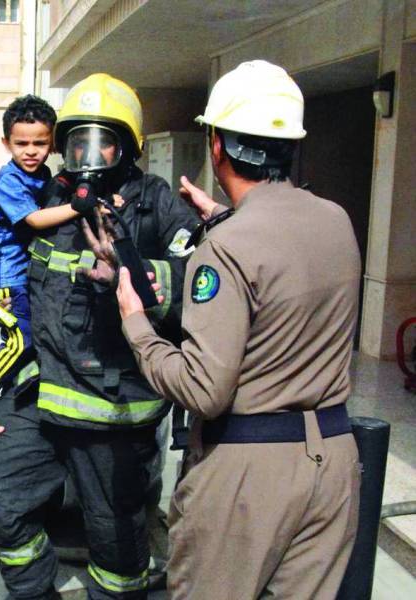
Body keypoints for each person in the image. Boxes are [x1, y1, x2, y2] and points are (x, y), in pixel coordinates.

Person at [115, 60, 362, 599]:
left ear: (218, 146)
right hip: (333, 464)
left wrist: (137, 325)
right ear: (289, 146)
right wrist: (223, 222)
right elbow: (282, 272)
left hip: (248, 473)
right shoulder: (336, 219)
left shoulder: (225, 249)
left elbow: (205, 388)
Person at [0, 74, 199, 600]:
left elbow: (201, 278)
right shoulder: (51, 195)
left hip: (113, 411)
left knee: (115, 538)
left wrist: (132, 271)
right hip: (45, 395)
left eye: (102, 141)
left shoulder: (153, 203)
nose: (86, 155)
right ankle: (33, 591)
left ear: (128, 148)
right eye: (75, 142)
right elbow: (6, 246)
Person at [0, 95, 79, 436]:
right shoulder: (9, 179)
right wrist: (79, 207)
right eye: (21, 143)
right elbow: (36, 219)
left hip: (17, 271)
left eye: (40, 143)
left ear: (52, 143)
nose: (30, 150)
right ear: (5, 143)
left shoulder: (42, 175)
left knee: (24, 340)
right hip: (0, 274)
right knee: (21, 337)